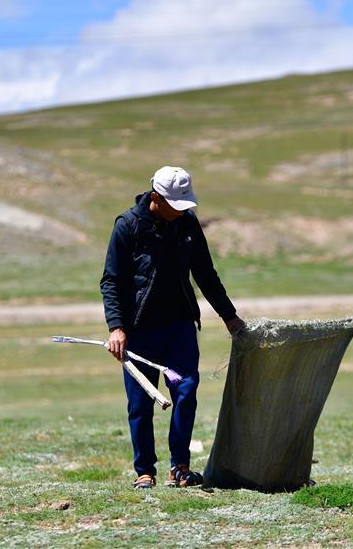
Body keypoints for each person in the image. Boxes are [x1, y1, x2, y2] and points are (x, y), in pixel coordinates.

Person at [100, 166, 245, 489]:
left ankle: (180, 466)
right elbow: (111, 281)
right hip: (139, 331)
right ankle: (144, 470)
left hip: (179, 328)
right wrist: (116, 327)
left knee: (186, 390)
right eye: (175, 205)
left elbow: (205, 274)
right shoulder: (128, 226)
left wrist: (229, 316)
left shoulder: (187, 224)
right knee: (141, 402)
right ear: (155, 197)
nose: (181, 211)